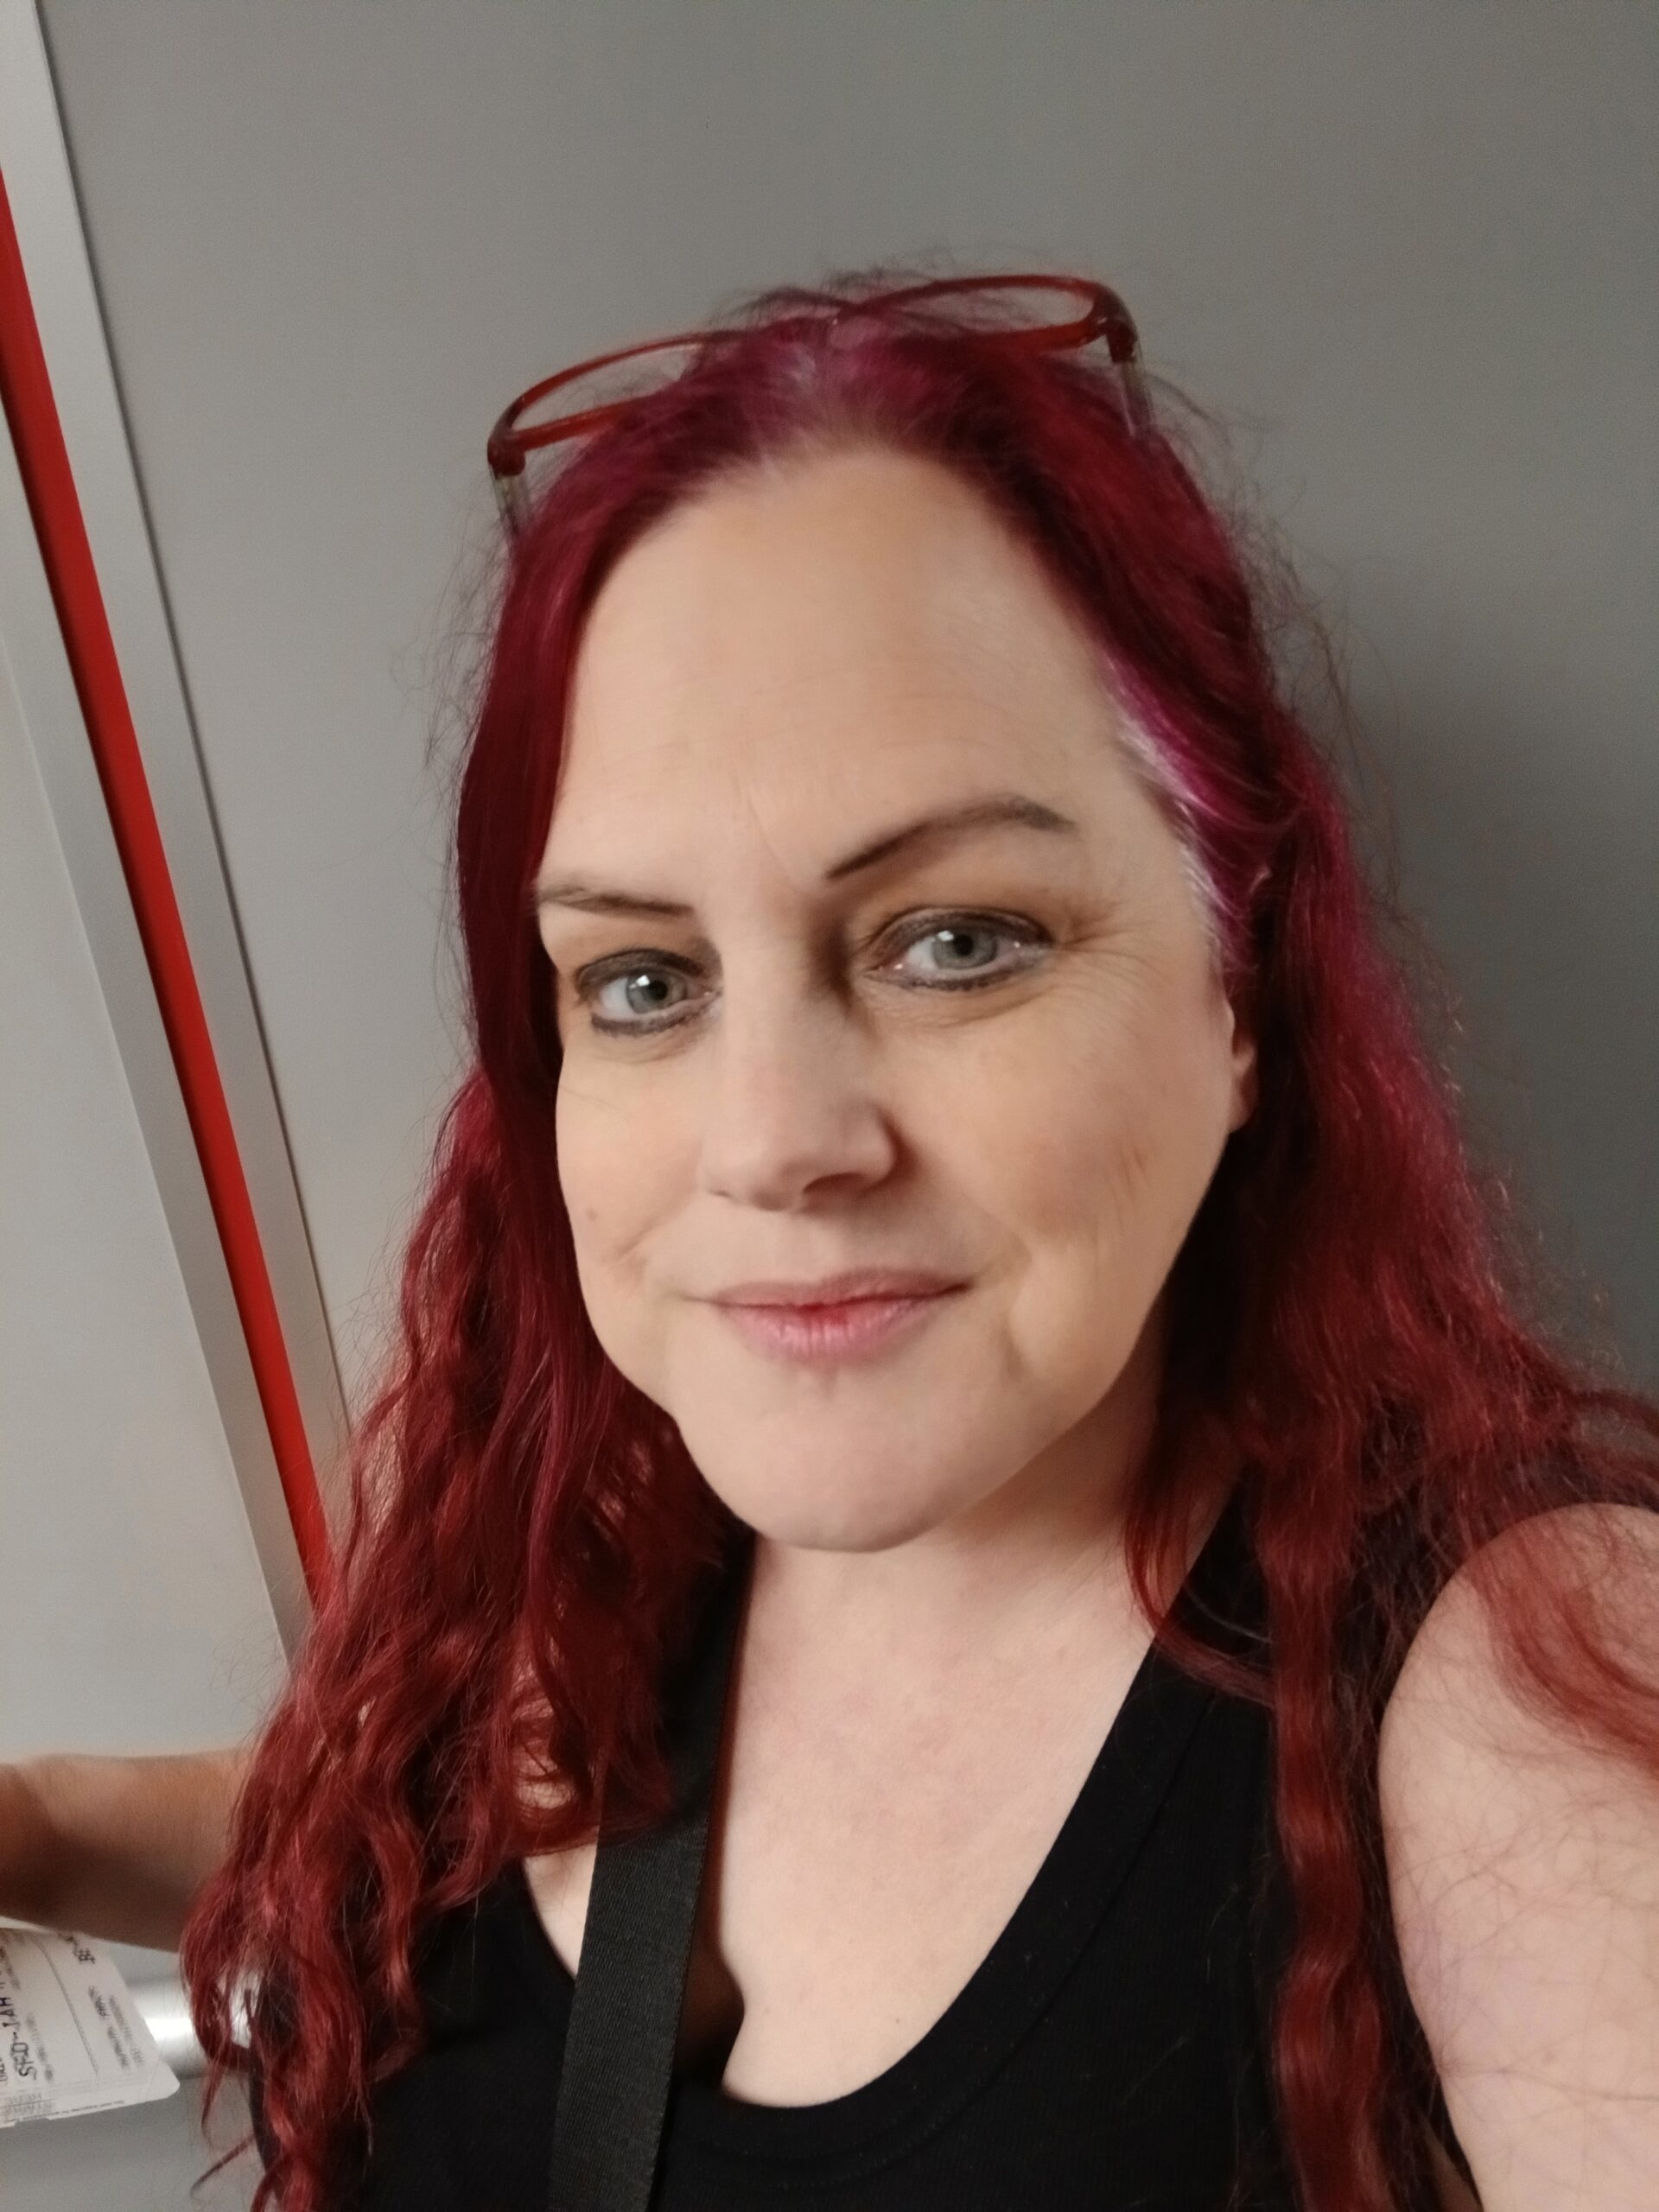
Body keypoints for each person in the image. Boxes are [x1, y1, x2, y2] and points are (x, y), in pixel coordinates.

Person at [3, 269, 1656, 2212]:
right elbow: (434, 1849)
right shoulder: (643, 1554)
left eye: (958, 939)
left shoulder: (1526, 1699)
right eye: (642, 979)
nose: (775, 1141)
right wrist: (44, 1821)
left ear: (1238, 993)